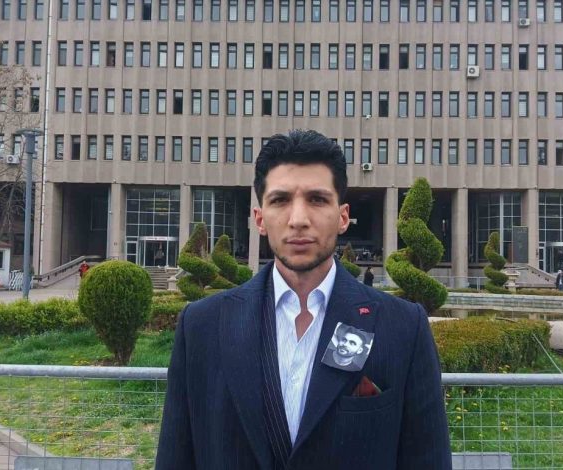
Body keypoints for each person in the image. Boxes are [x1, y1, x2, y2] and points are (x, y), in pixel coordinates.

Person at [155, 130, 452, 470]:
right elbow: (176, 457)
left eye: (317, 199)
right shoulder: (201, 326)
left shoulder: (403, 327)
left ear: (342, 217)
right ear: (260, 219)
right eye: (280, 200)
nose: (298, 220)